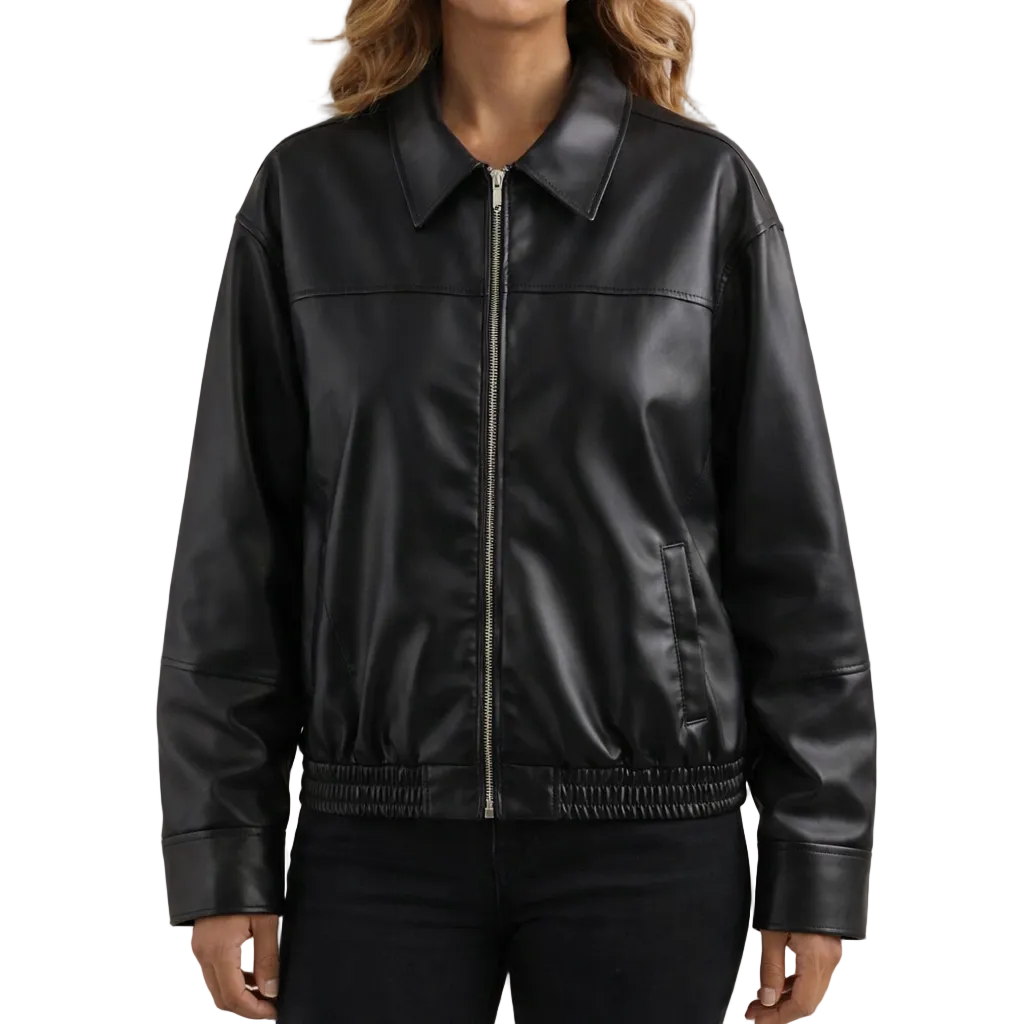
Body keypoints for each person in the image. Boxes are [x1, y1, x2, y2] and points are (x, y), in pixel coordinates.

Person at [155, 1, 877, 1021]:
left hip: (648, 841)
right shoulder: (308, 194)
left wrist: (817, 855)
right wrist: (223, 848)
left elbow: (791, 544)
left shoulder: (699, 193)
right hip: (376, 843)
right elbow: (236, 547)